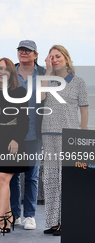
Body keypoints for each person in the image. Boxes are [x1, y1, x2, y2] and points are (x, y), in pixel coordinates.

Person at [41, 45, 88, 236]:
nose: (54, 59)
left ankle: (66, 222)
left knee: (65, 180)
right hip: (48, 134)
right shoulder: (47, 81)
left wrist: (82, 136)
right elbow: (40, 97)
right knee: (50, 179)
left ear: (66, 59)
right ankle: (53, 222)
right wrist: (48, 71)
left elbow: (84, 111)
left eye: (57, 56)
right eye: (51, 57)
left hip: (69, 136)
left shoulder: (78, 82)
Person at [0, 58, 29, 237]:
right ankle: (9, 215)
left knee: (4, 178)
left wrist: (16, 139)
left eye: (6, 69)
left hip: (13, 141)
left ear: (12, 73)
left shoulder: (19, 92)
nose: (2, 72)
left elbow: (25, 120)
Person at [10, 40, 46, 230]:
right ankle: (15, 214)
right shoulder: (9, 72)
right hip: (13, 132)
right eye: (21, 50)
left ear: (35, 54)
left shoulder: (43, 73)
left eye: (28, 51)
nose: (23, 53)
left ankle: (30, 216)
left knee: (32, 176)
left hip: (35, 131)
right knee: (13, 176)